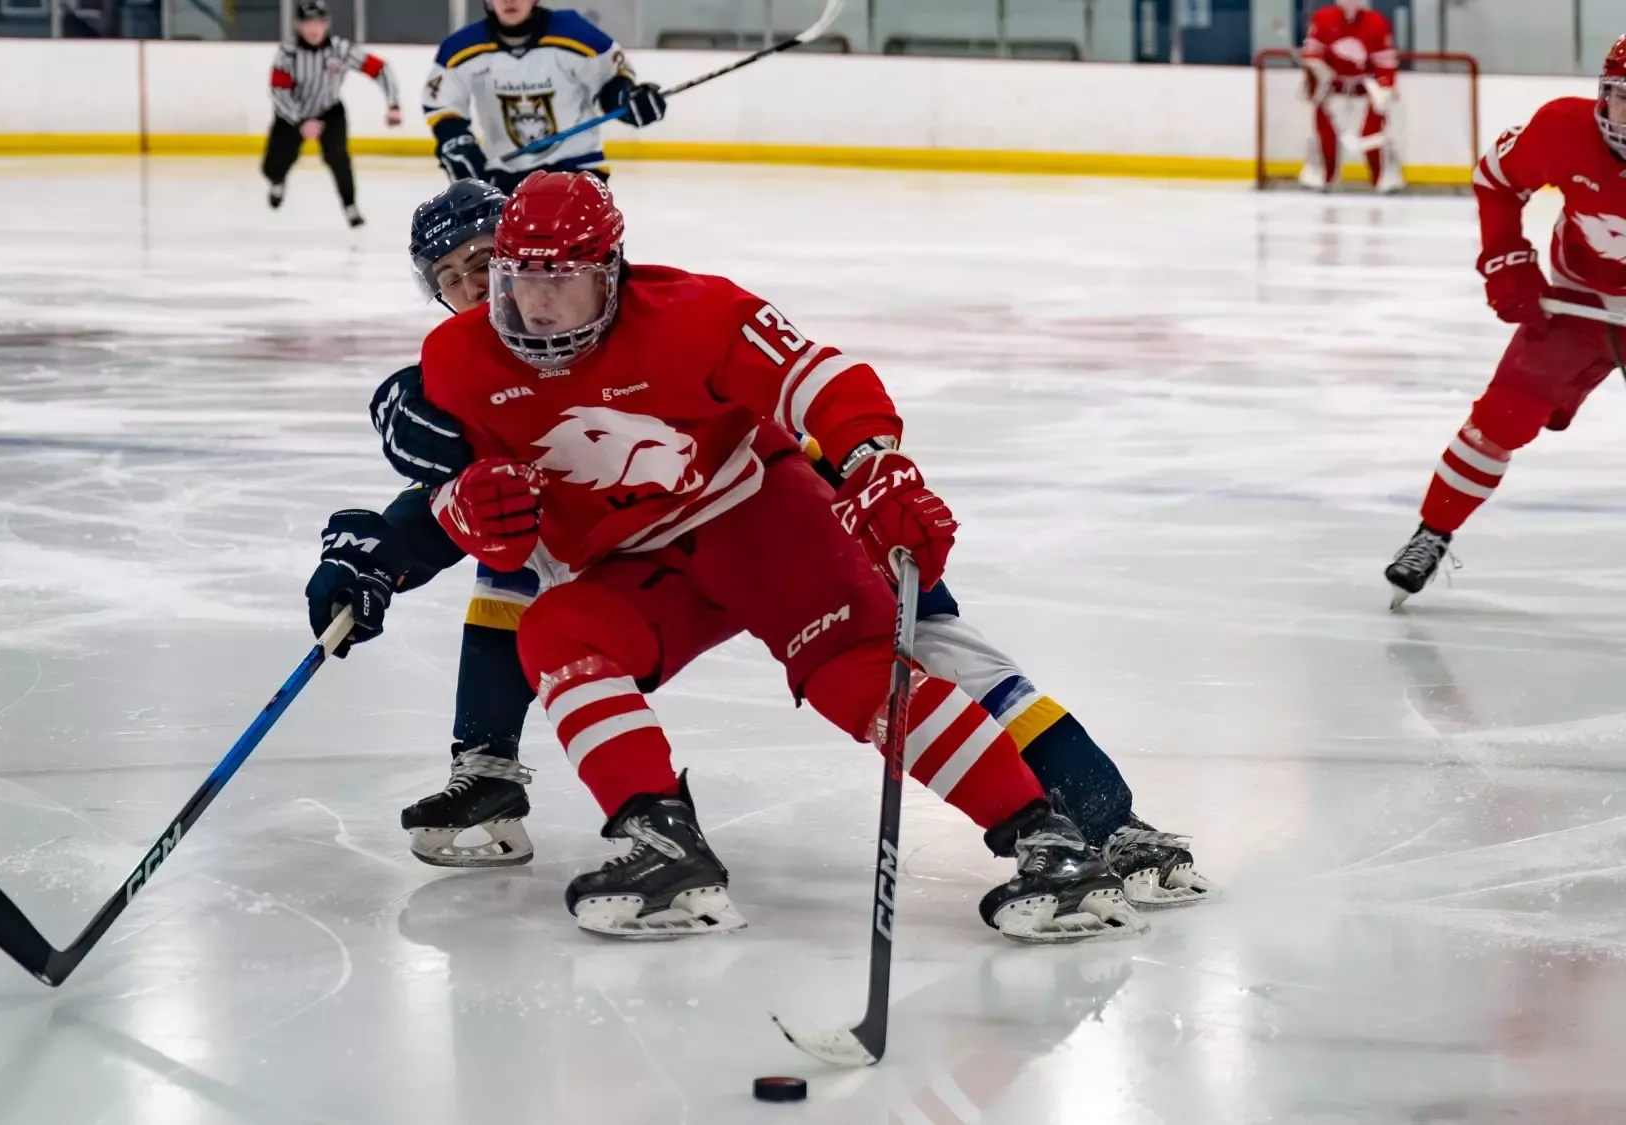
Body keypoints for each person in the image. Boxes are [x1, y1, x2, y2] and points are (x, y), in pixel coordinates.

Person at [309, 173, 1208, 943]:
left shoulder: (693, 313)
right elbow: (464, 507)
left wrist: (873, 464)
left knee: (890, 661)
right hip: (640, 565)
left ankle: (1071, 832)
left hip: (772, 517)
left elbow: (819, 377)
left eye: (558, 281)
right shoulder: (454, 365)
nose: (530, 306)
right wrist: (420, 527)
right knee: (552, 627)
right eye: (495, 280)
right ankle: (655, 840)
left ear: (612, 274)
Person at [1386, 35, 1626, 606]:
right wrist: (1507, 259)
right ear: (1604, 95)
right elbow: (1496, 180)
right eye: (1625, 98)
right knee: (1504, 415)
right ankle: (1432, 532)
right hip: (1578, 300)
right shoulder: (1563, 130)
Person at [422, 0, 667, 192]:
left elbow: (612, 81)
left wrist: (626, 99)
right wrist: (454, 140)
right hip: (503, 173)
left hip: (577, 167)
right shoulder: (459, 48)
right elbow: (442, 105)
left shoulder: (576, 33)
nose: (509, 0)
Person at [264, 0, 402, 225]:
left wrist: (393, 104)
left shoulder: (341, 50)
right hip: (292, 114)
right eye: (308, 23)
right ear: (298, 25)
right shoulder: (288, 53)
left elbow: (380, 69)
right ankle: (277, 181)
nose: (314, 28)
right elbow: (279, 92)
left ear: (326, 24)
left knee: (338, 157)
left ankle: (350, 206)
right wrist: (300, 121)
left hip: (329, 111)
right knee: (274, 164)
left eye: (318, 22)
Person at [1299, 0, 1402, 194]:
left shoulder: (1377, 22)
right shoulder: (1322, 18)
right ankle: (1322, 171)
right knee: (1324, 130)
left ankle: (1383, 173)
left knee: (1374, 131)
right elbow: (1311, 54)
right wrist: (1318, 76)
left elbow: (1385, 62)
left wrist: (1385, 87)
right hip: (1331, 84)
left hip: (1365, 85)